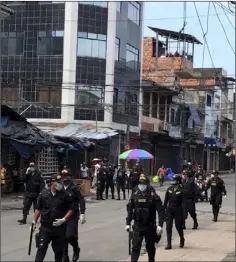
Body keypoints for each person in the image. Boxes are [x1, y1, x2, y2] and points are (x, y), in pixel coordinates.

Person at [32, 174, 75, 262]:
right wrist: (34, 222)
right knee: (41, 250)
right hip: (45, 228)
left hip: (59, 228)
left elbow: (71, 209)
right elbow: (38, 209)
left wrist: (64, 219)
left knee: (58, 253)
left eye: (61, 182)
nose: (60, 184)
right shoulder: (43, 194)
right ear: (52, 183)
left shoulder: (64, 195)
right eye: (58, 182)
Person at [125, 174, 164, 262]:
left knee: (150, 247)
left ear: (147, 184)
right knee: (135, 247)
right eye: (140, 184)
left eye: (143, 184)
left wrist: (160, 225)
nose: (141, 186)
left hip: (149, 226)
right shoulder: (135, 193)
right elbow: (130, 208)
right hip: (138, 225)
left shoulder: (153, 194)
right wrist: (127, 223)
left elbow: (160, 210)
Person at [61, 170, 86, 262]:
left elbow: (81, 200)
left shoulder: (75, 187)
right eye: (63, 175)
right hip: (61, 215)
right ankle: (65, 257)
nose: (64, 177)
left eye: (66, 175)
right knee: (62, 237)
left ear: (70, 177)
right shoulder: (59, 187)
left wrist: (82, 213)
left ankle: (76, 248)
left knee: (70, 236)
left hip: (72, 215)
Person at [163, 175, 185, 250]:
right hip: (169, 209)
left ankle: (182, 238)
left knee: (178, 226)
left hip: (178, 209)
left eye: (174, 180)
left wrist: (184, 213)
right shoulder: (169, 189)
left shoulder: (181, 190)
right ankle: (169, 243)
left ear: (178, 181)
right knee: (168, 226)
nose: (172, 181)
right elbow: (165, 201)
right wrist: (163, 211)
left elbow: (184, 203)